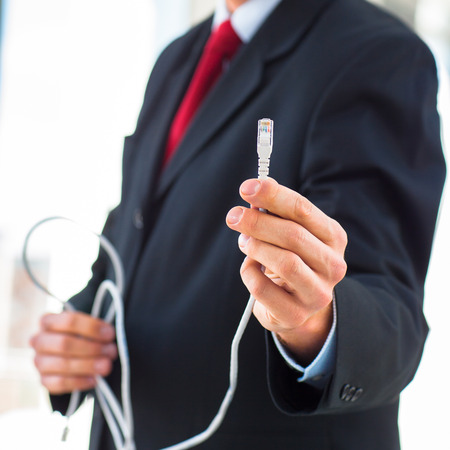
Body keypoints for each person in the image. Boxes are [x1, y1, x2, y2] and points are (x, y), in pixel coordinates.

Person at [30, 0, 446, 448]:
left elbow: (390, 316)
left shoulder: (376, 52)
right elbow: (134, 238)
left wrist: (313, 323)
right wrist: (76, 338)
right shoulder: (177, 59)